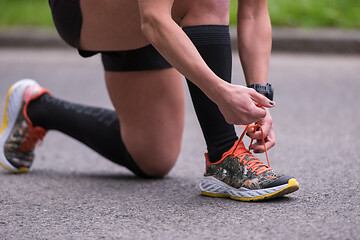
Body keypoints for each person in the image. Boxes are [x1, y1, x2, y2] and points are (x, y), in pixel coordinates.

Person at [0, 0, 299, 201]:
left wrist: (260, 101)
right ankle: (224, 157)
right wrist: (221, 94)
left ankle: (36, 108)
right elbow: (154, 19)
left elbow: (255, 12)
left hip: (156, 13)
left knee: (153, 157)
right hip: (90, 9)